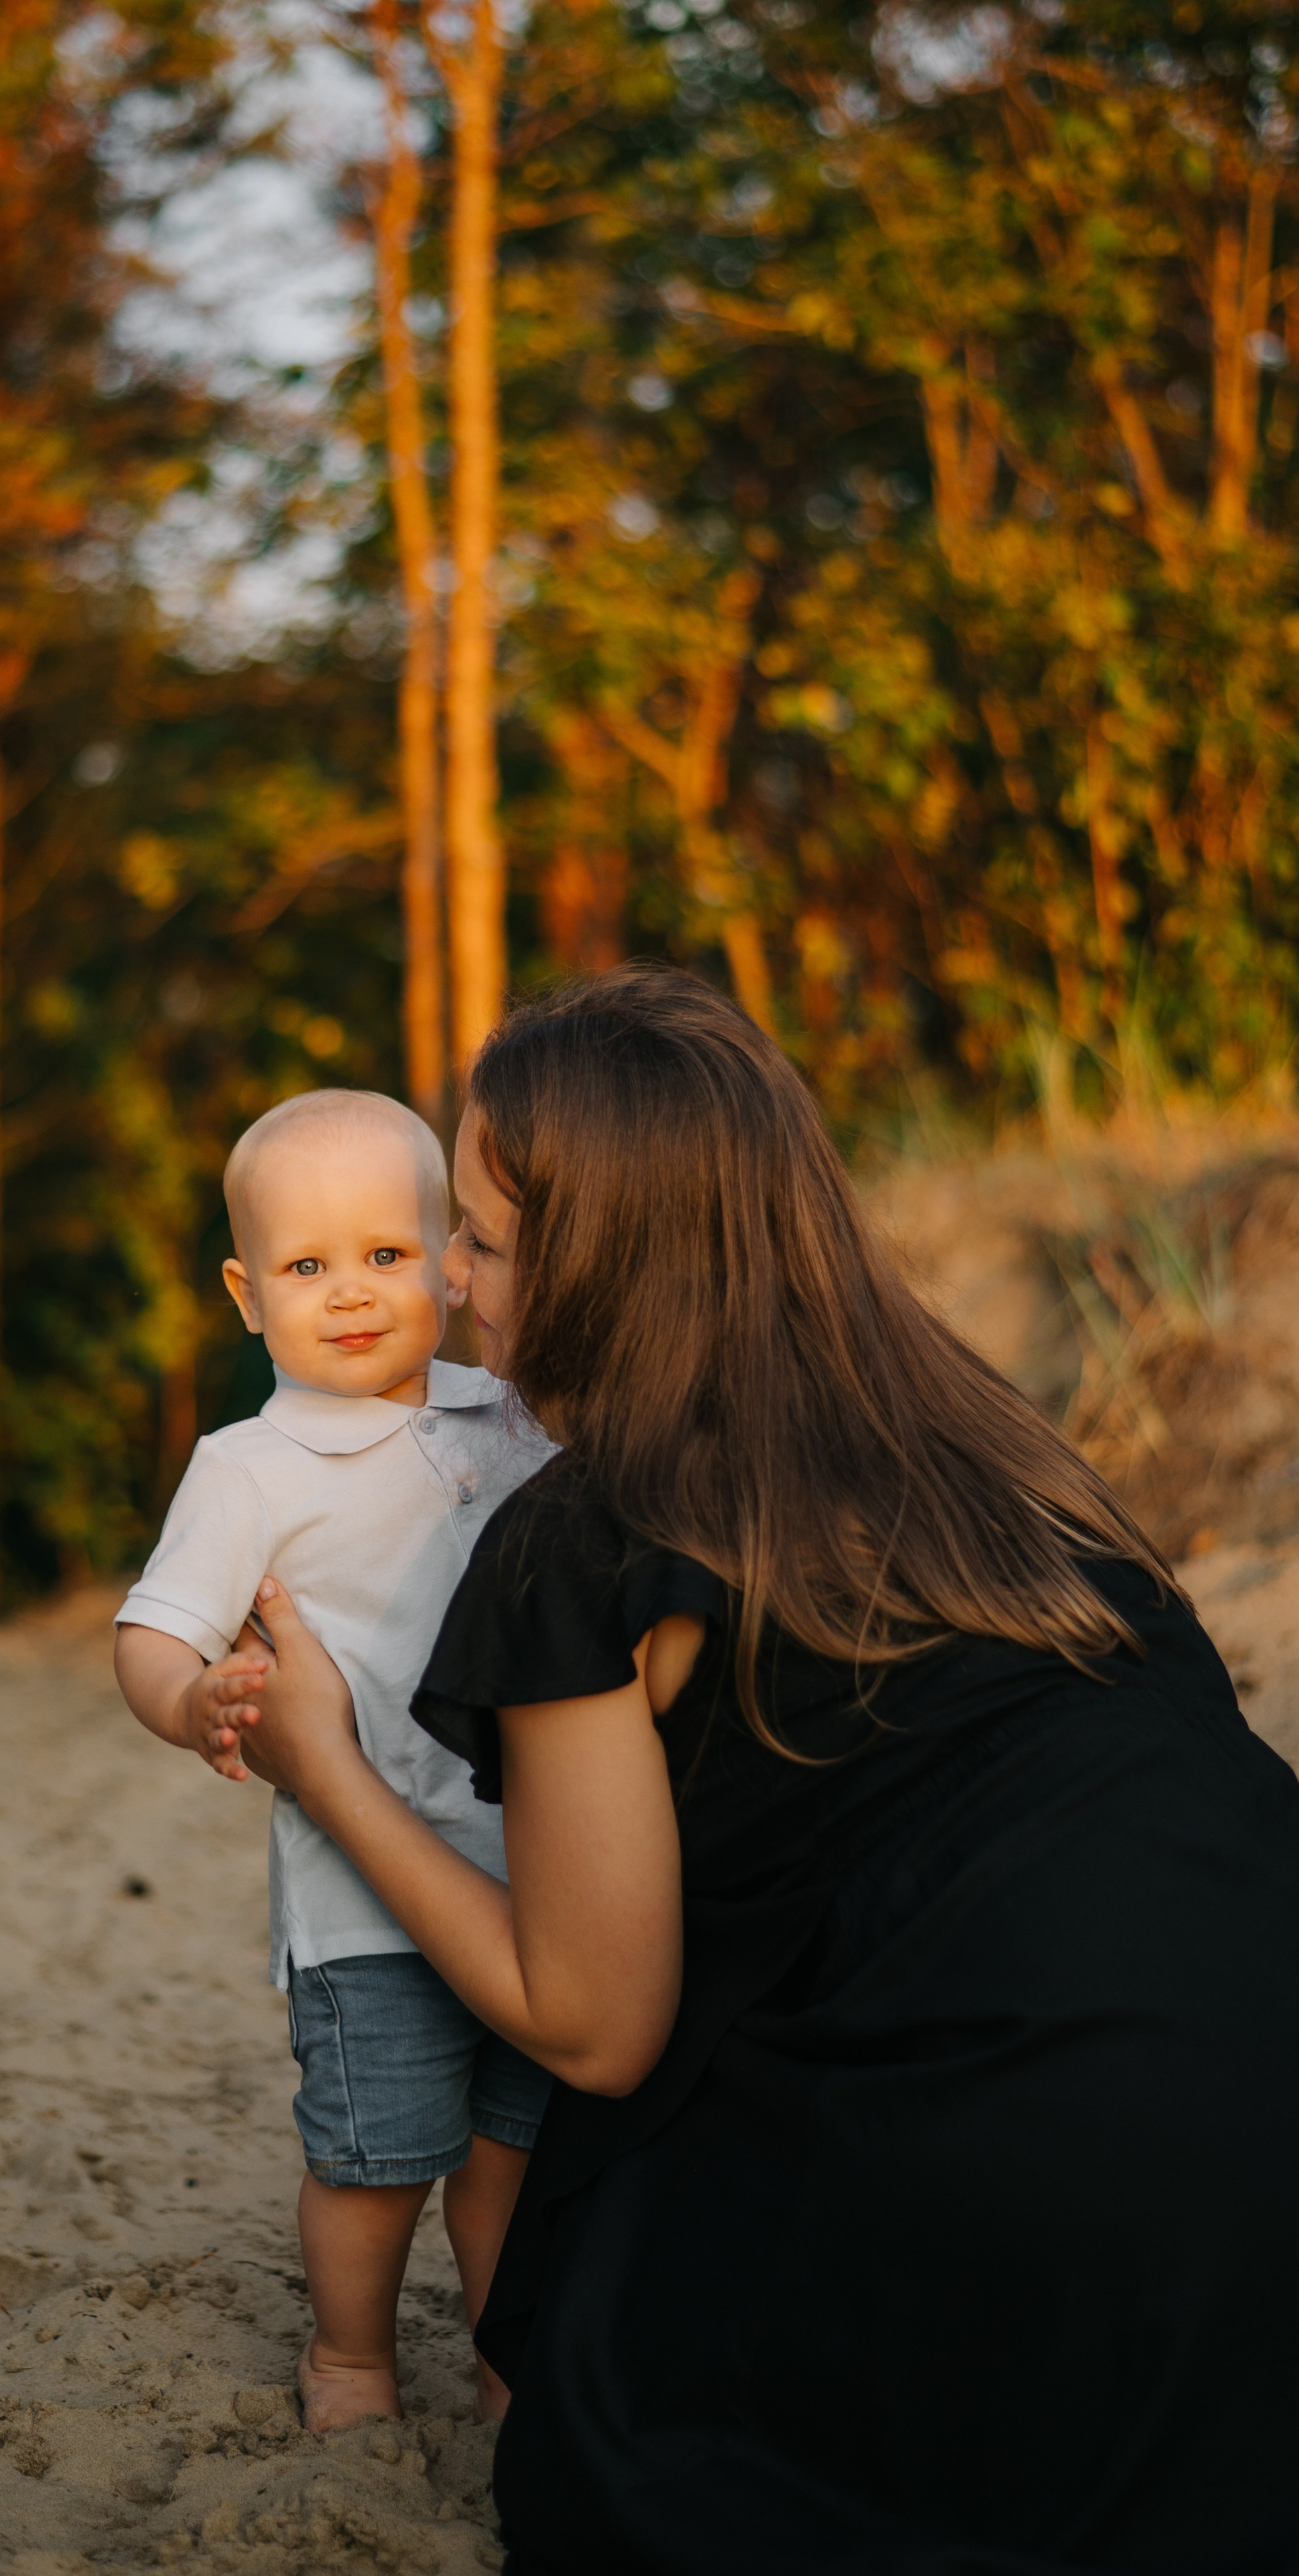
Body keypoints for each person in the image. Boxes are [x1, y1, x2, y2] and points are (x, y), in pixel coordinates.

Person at [215, 969, 1299, 2573]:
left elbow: (593, 2022)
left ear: (605, 1270)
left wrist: (325, 1759)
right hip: (1260, 2042)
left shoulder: (587, 1532)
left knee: (633, 2374)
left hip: (1062, 2184)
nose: (447, 1275)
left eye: (487, 1243)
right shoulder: (991, 1448)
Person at [113, 1088, 551, 2433]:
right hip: (361, 1903)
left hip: (532, 1872)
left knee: (508, 2153)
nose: (351, 1294)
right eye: (307, 1268)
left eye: (386, 1254)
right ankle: (353, 2352)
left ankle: (504, 2358)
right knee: (375, 2157)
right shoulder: (249, 1468)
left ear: (452, 1259)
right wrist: (196, 1702)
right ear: (248, 1295)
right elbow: (151, 1631)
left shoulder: (516, 1418)